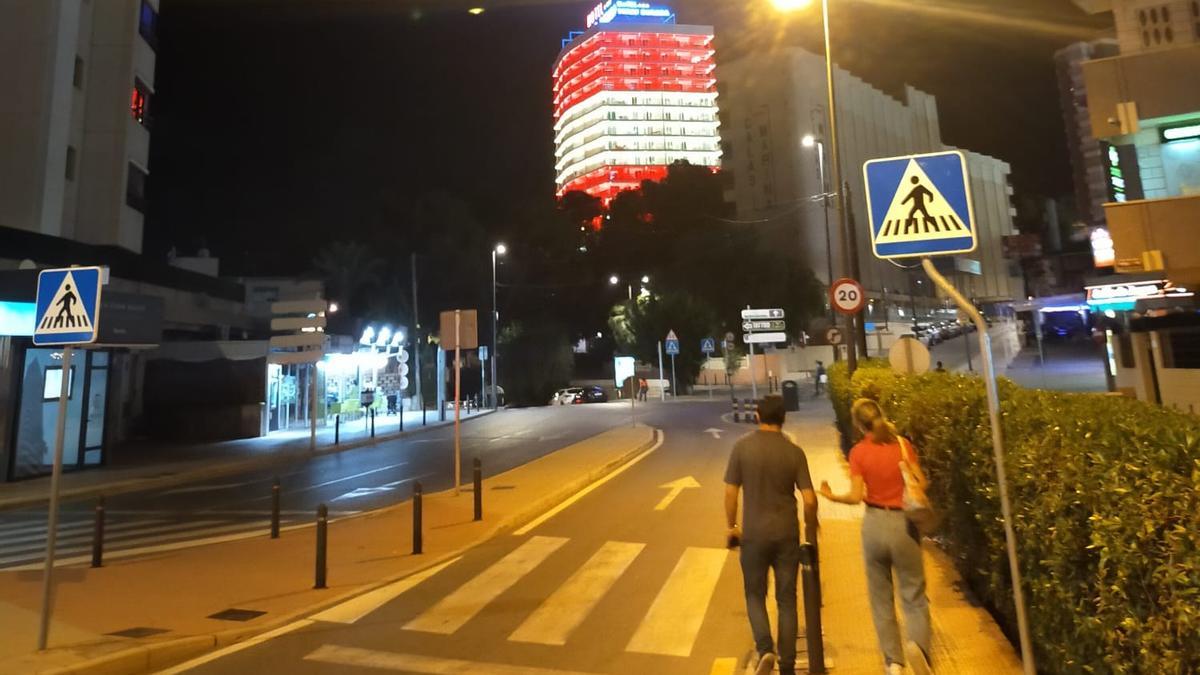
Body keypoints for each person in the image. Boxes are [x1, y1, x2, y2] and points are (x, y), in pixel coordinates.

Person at [818, 399, 932, 675]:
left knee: (881, 598)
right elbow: (922, 484)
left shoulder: (858, 452)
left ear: (858, 424)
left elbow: (856, 496)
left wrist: (831, 496)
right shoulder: (903, 445)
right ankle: (921, 654)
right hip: (904, 524)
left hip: (874, 526)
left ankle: (894, 662)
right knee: (914, 594)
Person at [724, 395, 819, 675]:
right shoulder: (794, 452)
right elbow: (810, 500)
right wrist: (810, 530)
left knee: (754, 594)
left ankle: (765, 650)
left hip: (753, 534)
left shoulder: (741, 448)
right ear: (784, 418)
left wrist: (732, 527)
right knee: (786, 599)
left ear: (757, 416)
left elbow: (730, 493)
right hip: (786, 534)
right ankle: (787, 665)